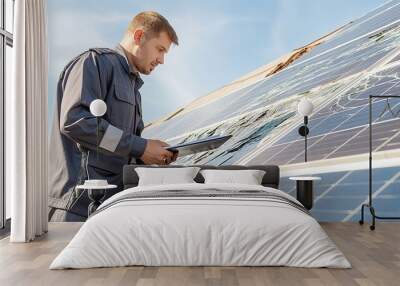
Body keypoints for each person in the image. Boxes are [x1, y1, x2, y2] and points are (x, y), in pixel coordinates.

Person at [48, 11, 178, 222]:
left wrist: (149, 155)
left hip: (108, 206)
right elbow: (76, 122)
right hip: (77, 206)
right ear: (138, 36)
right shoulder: (95, 63)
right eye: (160, 49)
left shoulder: (133, 87)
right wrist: (140, 147)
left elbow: (115, 146)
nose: (162, 60)